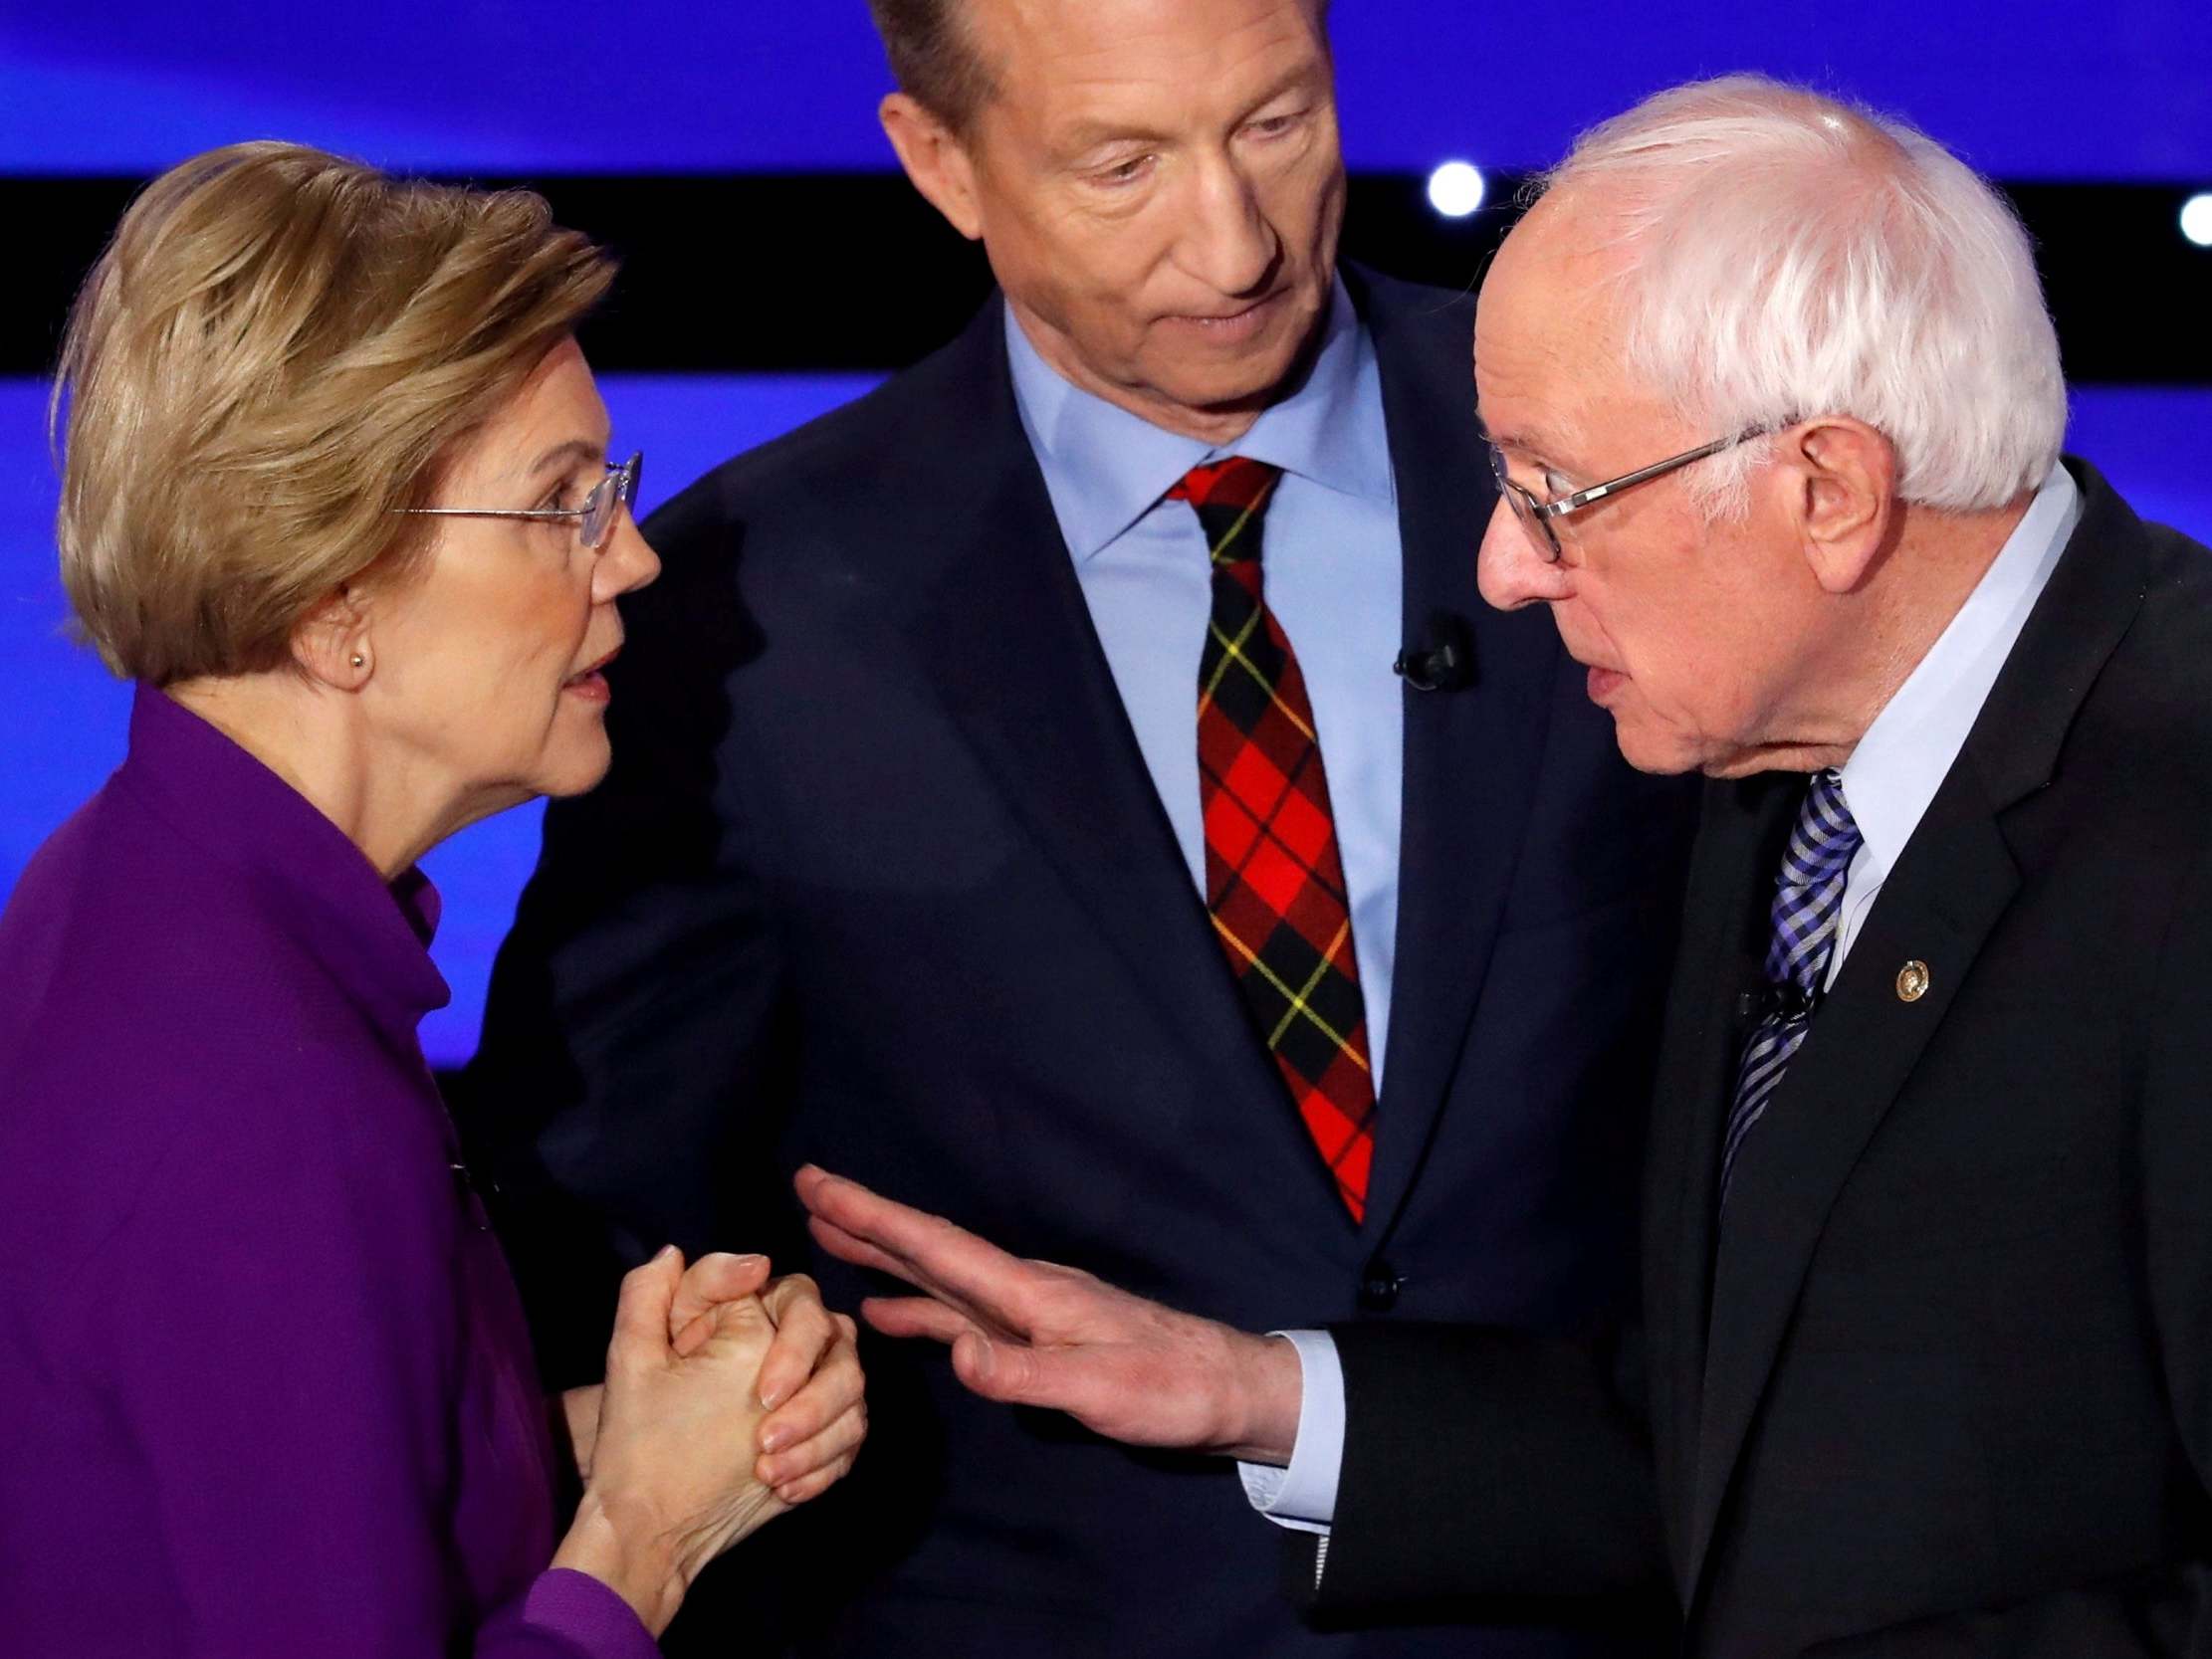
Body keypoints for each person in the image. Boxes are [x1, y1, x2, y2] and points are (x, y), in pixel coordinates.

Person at [795, 74, 2212, 1657]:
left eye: (1555, 494)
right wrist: (1254, 1392)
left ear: (1825, 491)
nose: (1502, 571)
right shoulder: (1777, 780)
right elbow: (1741, 1448)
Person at [461, 0, 1693, 1653]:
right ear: (939, 163)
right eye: (1120, 164)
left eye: (1276, 124)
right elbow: (602, 1224)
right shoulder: (746, 612)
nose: (1234, 239)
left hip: (1616, 1596)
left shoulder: (1631, 455)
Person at [0, 142, 866, 1659]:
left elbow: (258, 1503)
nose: (635, 558)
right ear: (336, 601)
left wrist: (608, 1435)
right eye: (563, 504)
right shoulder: (261, 1087)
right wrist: (645, 1533)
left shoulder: (151, 894)